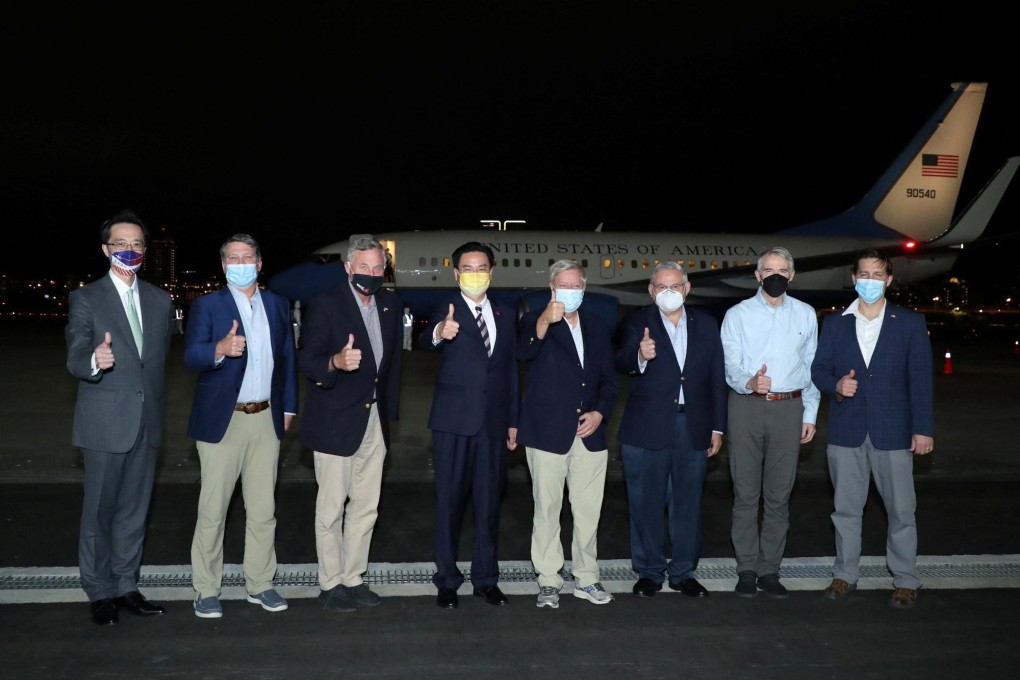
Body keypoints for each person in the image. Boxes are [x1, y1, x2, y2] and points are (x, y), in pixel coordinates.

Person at [65, 210, 174, 625]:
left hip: (147, 422)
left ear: (145, 250)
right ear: (105, 249)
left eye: (137, 244)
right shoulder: (87, 297)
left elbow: (156, 362)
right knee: (99, 512)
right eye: (120, 243)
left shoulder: (160, 300)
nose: (129, 250)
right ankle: (99, 591)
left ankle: (126, 585)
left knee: (134, 511)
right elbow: (75, 354)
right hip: (105, 423)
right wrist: (95, 359)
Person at [184, 234, 299, 619]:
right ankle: (206, 588)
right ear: (223, 265)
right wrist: (219, 349)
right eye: (232, 258)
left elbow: (286, 359)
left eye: (247, 256)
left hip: (266, 417)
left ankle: (261, 583)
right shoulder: (207, 305)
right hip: (223, 420)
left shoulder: (278, 305)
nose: (240, 262)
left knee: (263, 509)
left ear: (259, 263)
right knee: (213, 511)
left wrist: (290, 407)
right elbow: (191, 355)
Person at [811, 249, 934, 609]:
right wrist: (836, 385)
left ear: (889, 280)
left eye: (877, 275)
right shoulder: (835, 323)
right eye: (863, 274)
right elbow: (818, 370)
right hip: (846, 432)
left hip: (894, 432)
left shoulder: (909, 322)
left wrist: (923, 429)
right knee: (846, 509)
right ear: (853, 279)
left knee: (901, 511)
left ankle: (906, 579)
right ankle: (845, 574)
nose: (869, 281)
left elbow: (920, 381)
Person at [299, 237, 403, 613]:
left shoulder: (390, 304)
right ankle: (330, 583)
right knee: (331, 508)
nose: (372, 275)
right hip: (335, 420)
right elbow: (308, 360)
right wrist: (335, 363)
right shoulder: (325, 305)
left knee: (365, 506)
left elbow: (391, 369)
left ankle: (353, 577)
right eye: (364, 267)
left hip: (374, 419)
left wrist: (388, 414)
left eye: (378, 268)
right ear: (348, 268)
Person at [615, 262, 726, 599]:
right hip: (647, 428)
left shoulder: (706, 325)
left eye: (674, 286)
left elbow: (716, 379)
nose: (668, 293)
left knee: (688, 503)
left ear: (687, 289)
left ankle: (682, 573)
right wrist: (640, 355)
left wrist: (718, 427)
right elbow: (619, 361)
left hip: (692, 424)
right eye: (661, 287)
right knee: (645, 502)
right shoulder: (637, 322)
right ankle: (648, 572)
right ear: (651, 291)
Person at [419, 241, 518, 609]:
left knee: (489, 505)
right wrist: (437, 333)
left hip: (493, 424)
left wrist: (513, 420)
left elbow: (509, 371)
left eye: (481, 267)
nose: (475, 274)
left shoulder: (507, 313)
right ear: (456, 272)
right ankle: (446, 581)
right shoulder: (446, 309)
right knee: (449, 504)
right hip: (453, 423)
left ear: (491, 271)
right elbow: (424, 342)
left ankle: (486, 579)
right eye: (468, 268)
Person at [720, 246, 820, 599]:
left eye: (782, 269)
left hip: (788, 408)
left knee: (778, 496)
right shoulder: (738, 314)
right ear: (758, 275)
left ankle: (770, 570)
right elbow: (730, 364)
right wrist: (749, 381)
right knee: (746, 494)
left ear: (791, 275)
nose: (775, 275)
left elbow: (811, 368)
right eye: (768, 270)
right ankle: (747, 569)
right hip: (747, 406)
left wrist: (809, 413)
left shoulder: (807, 315)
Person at [517, 260, 618, 608]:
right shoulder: (534, 321)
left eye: (576, 286)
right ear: (551, 289)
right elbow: (524, 351)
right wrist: (546, 319)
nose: (570, 291)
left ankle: (587, 578)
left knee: (588, 510)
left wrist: (600, 412)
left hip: (589, 433)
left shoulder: (597, 326)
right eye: (563, 285)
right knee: (547, 508)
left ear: (584, 289)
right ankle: (548, 579)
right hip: (546, 433)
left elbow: (609, 378)